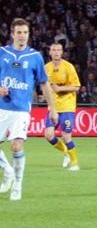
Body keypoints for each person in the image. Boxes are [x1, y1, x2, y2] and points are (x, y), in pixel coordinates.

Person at [0, 19, 60, 199]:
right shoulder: (2, 53)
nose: (22, 36)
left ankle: (17, 184)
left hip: (21, 109)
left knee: (16, 145)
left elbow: (44, 84)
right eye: (19, 32)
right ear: (12, 34)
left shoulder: (35, 57)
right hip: (2, 107)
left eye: (25, 32)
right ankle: (8, 170)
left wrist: (52, 109)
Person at [44, 41, 81, 171]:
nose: (56, 52)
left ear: (62, 52)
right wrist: (46, 95)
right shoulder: (46, 68)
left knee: (66, 135)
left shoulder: (68, 67)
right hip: (53, 107)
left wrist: (60, 89)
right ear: (50, 52)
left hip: (66, 106)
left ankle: (75, 164)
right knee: (49, 135)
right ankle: (66, 151)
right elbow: (45, 85)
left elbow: (76, 87)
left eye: (58, 50)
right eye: (53, 50)